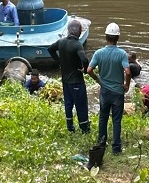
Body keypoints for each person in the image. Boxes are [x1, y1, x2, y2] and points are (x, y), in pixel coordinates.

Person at [87, 22, 131, 155]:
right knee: (116, 120)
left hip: (105, 91)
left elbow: (89, 70)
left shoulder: (99, 53)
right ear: (118, 38)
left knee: (103, 117)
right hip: (118, 92)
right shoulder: (122, 54)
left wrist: (97, 80)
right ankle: (116, 148)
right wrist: (127, 85)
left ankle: (101, 142)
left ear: (106, 36)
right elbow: (128, 72)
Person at [47, 19, 90, 133]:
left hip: (65, 80)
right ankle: (85, 128)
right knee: (81, 105)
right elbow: (84, 59)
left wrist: (59, 61)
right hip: (76, 81)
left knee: (68, 104)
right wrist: (85, 70)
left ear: (68, 30)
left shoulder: (61, 42)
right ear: (79, 31)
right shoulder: (77, 45)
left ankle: (70, 127)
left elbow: (50, 49)